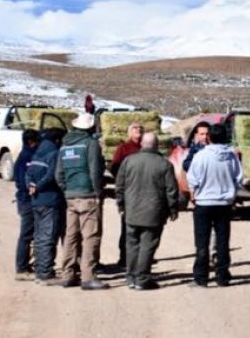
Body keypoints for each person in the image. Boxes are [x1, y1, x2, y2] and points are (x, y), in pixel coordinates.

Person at [115, 132, 178, 290]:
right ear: (157, 145)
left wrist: (121, 205)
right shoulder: (164, 164)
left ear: (142, 144)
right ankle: (142, 278)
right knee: (147, 245)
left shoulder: (129, 161)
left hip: (132, 211)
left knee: (132, 244)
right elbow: (171, 190)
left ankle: (131, 277)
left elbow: (119, 186)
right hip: (154, 212)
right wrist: (173, 210)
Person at [186, 123, 242, 287]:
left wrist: (193, 194)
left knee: (202, 242)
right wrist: (231, 194)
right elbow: (238, 178)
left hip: (204, 202)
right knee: (223, 241)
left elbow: (192, 179)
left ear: (209, 137)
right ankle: (222, 276)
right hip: (224, 203)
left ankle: (201, 277)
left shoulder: (201, 156)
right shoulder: (232, 156)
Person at [56, 113, 107, 290]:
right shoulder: (90, 144)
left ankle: (67, 274)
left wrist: (67, 190)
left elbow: (59, 174)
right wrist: (97, 193)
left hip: (70, 197)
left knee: (71, 236)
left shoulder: (64, 146)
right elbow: (95, 170)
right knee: (91, 236)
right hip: (88, 196)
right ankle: (88, 276)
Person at [26, 128, 66, 284]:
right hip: (51, 201)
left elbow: (28, 174)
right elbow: (52, 176)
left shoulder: (37, 153)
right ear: (57, 140)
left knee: (39, 237)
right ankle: (46, 273)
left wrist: (31, 186)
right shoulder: (55, 153)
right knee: (49, 237)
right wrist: (39, 186)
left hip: (36, 201)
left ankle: (39, 270)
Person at [109, 121, 145, 269]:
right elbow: (114, 168)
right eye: (135, 128)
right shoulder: (123, 148)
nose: (138, 130)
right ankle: (124, 257)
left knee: (144, 226)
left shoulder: (145, 148)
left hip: (145, 192)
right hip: (129, 192)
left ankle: (141, 257)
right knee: (127, 226)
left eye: (141, 128)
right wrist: (124, 180)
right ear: (129, 132)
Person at [13, 129, 41, 281]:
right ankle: (22, 268)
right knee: (26, 235)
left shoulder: (26, 156)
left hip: (26, 200)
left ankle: (26, 265)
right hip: (27, 200)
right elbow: (24, 182)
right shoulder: (26, 158)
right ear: (31, 142)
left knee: (30, 234)